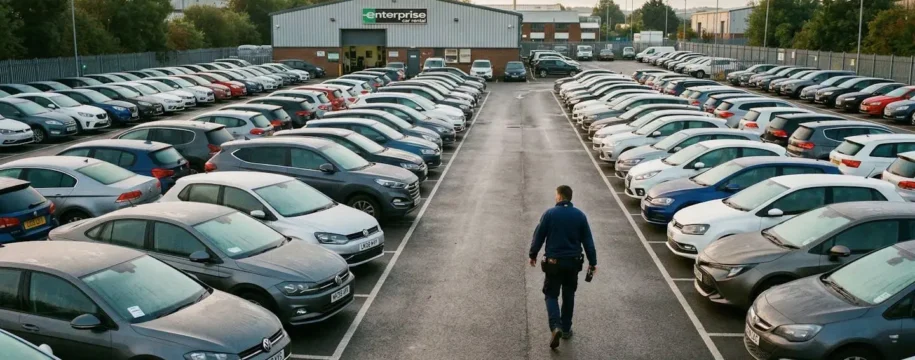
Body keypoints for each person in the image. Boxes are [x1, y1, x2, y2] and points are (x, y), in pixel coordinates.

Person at [528, 185, 597, 349]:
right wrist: (593, 262)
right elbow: (588, 241)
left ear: (559, 197)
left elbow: (539, 235)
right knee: (569, 294)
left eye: (555, 195)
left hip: (553, 263)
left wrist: (533, 254)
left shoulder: (550, 214)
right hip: (573, 263)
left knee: (551, 295)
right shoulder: (580, 216)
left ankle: (555, 326)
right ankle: (566, 329)